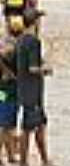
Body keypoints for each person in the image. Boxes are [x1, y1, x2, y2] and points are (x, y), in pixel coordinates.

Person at [15, 9, 52, 166]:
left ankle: (44, 159)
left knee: (40, 125)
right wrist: (46, 69)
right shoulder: (33, 41)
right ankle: (25, 162)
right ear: (35, 22)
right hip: (33, 90)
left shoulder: (21, 39)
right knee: (29, 128)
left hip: (25, 88)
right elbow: (32, 68)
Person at [0, 19, 21, 165]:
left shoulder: (6, 44)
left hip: (3, 90)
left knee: (7, 124)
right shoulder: (14, 48)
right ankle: (8, 155)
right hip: (9, 90)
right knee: (6, 124)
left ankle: (10, 155)